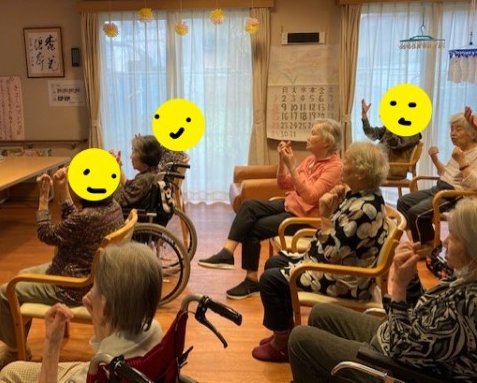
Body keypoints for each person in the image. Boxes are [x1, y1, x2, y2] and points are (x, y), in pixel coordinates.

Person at [288, 197, 477, 382]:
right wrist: (411, 280)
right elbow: (426, 315)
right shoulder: (466, 276)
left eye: (453, 237)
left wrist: (399, 288)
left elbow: (402, 349)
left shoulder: (466, 304)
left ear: (472, 250)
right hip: (399, 336)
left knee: (299, 340)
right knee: (320, 313)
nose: (445, 242)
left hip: (396, 366)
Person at [251, 142, 389, 362]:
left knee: (270, 280)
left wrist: (325, 216)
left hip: (344, 281)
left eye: (347, 163)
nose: (342, 166)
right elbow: (337, 241)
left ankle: (281, 343)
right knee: (273, 263)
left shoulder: (364, 209)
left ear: (361, 173)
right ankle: (284, 331)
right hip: (331, 265)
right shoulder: (360, 197)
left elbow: (332, 253)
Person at [0, 166, 124, 372]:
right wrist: (63, 187)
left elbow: (45, 233)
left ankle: (13, 351)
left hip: (72, 286)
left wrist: (43, 197)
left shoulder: (86, 218)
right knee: (22, 275)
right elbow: (74, 222)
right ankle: (14, 342)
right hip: (90, 278)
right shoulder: (113, 207)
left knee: (7, 291)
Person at [198, 119, 343, 300]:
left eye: (313, 133)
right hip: (290, 205)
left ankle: (251, 280)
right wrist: (283, 162)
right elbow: (283, 184)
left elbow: (311, 196)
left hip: (305, 219)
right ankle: (227, 253)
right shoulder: (310, 160)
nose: (308, 137)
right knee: (248, 206)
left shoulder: (335, 168)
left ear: (327, 142)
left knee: (254, 228)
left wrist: (292, 167)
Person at [0, 242, 163, 383]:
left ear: (105, 307)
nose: (88, 294)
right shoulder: (153, 330)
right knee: (10, 371)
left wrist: (52, 344)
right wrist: (100, 318)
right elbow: (110, 342)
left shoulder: (97, 372)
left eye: (95, 286)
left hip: (82, 373)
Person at [397, 112, 477, 245]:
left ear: (473, 134)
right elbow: (447, 174)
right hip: (439, 188)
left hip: (454, 194)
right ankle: (417, 242)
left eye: (458, 129)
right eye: (451, 129)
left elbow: (474, 184)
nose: (452, 133)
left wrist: (462, 162)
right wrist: (435, 159)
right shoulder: (459, 150)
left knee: (417, 212)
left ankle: (432, 246)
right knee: (403, 202)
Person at [361, 98, 421, 180]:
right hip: (377, 162)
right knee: (357, 161)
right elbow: (371, 134)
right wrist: (364, 116)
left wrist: (389, 132)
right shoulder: (393, 127)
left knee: (359, 168)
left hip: (390, 167)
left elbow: (396, 144)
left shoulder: (413, 133)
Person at [110, 134, 163, 210]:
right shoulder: (153, 172)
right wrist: (118, 167)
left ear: (144, 156)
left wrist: (112, 172)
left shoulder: (144, 180)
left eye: (133, 152)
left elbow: (119, 201)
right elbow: (129, 186)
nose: (130, 156)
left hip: (130, 215)